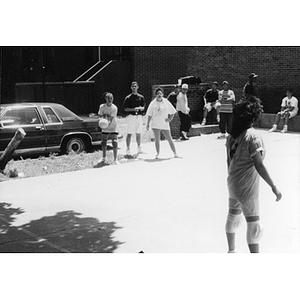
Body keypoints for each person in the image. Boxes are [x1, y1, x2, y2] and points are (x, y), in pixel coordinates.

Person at [225, 96, 282, 253]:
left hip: (233, 183)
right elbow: (259, 164)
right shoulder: (253, 136)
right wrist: (273, 186)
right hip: (246, 186)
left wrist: (231, 179)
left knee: (233, 217)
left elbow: (228, 162)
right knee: (254, 224)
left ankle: (231, 251)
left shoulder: (231, 136)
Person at [146, 87, 181, 159]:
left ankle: (175, 153)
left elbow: (173, 111)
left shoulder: (166, 101)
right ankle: (157, 154)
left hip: (164, 123)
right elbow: (149, 114)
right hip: (155, 123)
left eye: (161, 93)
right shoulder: (153, 103)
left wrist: (170, 119)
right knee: (157, 139)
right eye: (158, 93)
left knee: (169, 138)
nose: (159, 95)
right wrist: (147, 124)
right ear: (155, 95)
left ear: (163, 95)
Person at [123, 81, 146, 156]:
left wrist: (141, 108)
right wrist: (133, 109)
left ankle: (139, 148)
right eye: (133, 86)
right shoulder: (128, 98)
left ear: (138, 87)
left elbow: (143, 107)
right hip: (131, 117)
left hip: (139, 116)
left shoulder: (141, 97)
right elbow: (125, 109)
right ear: (131, 87)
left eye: (135, 86)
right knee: (129, 133)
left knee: (138, 132)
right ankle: (128, 149)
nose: (134, 87)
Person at [97, 92, 119, 165]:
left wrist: (106, 123)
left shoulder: (114, 108)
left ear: (113, 99)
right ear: (105, 99)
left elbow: (110, 119)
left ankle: (115, 159)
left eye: (111, 98)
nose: (110, 100)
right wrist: (101, 121)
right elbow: (100, 115)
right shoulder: (102, 106)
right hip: (104, 127)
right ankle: (104, 157)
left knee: (114, 142)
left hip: (113, 126)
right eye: (108, 98)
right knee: (103, 142)